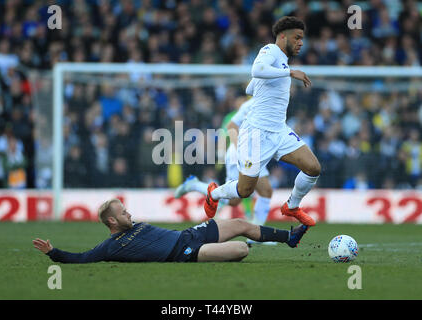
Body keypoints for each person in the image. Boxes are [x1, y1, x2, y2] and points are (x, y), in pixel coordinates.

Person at [203, 16, 321, 227]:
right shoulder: (270, 50)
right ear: (283, 36)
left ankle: (292, 206)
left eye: (302, 38)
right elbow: (256, 70)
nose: (301, 42)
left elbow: (251, 86)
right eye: (297, 38)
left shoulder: (282, 60)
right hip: (256, 132)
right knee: (244, 191)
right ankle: (215, 193)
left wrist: (264, 82)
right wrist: (291, 72)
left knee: (313, 167)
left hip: (279, 131)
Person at [32, 198, 309, 263]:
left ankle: (290, 237)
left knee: (239, 224)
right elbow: (82, 259)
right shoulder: (112, 247)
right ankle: (231, 252)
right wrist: (53, 252)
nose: (128, 213)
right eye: (123, 212)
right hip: (185, 251)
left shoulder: (135, 225)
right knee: (240, 249)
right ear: (112, 222)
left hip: (188, 235)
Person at [174, 96, 275, 244]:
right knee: (234, 200)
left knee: (266, 191)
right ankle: (194, 185)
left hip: (257, 153)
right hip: (239, 155)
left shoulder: (267, 107)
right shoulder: (237, 114)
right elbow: (225, 134)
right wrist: (222, 155)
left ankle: (257, 234)